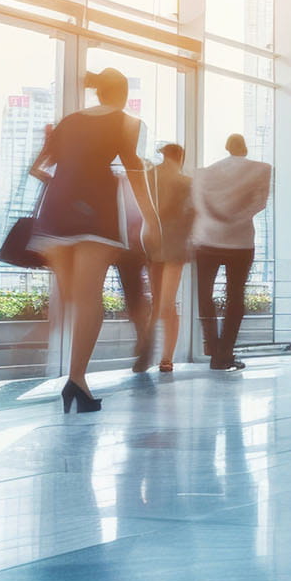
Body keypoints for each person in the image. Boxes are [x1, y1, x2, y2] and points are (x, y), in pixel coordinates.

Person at [28, 68, 161, 412]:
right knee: (90, 300)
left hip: (56, 210)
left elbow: (38, 168)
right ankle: (76, 380)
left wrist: (64, 182)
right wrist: (151, 218)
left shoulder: (69, 121)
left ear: (98, 92)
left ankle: (72, 381)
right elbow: (135, 173)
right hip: (96, 211)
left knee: (71, 298)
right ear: (122, 94)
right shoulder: (128, 122)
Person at [190, 134, 272, 370]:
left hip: (207, 239)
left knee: (205, 295)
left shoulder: (205, 174)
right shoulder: (260, 170)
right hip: (241, 242)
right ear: (244, 148)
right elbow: (259, 203)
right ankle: (225, 352)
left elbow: (197, 203)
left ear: (226, 148)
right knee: (236, 296)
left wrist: (217, 219)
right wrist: (235, 219)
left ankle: (212, 346)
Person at [146, 143, 195, 372]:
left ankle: (155, 354)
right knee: (165, 303)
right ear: (180, 157)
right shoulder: (185, 183)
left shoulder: (150, 177)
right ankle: (164, 357)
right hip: (173, 246)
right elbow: (193, 215)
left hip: (157, 244)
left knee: (160, 303)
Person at [111, 168, 156, 373]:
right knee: (134, 298)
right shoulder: (126, 182)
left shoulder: (125, 183)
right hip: (127, 248)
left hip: (134, 248)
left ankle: (145, 342)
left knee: (136, 298)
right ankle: (144, 341)